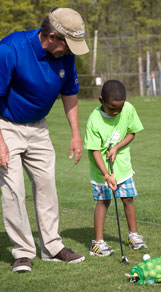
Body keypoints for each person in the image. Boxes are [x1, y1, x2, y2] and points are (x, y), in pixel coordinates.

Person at [0, 7, 89, 272]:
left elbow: (70, 92)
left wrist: (75, 134)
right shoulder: (10, 49)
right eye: (67, 45)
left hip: (39, 127)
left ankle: (51, 247)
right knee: (13, 189)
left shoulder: (66, 55)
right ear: (51, 37)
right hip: (6, 126)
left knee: (47, 185)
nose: (70, 51)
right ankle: (23, 252)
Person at [84, 80, 147, 256]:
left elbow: (131, 132)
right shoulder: (94, 120)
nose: (117, 112)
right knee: (103, 202)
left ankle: (134, 235)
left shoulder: (128, 109)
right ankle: (97, 243)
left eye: (120, 107)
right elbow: (95, 151)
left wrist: (117, 147)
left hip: (123, 167)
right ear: (100, 100)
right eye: (112, 108)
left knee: (128, 198)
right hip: (101, 170)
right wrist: (106, 175)